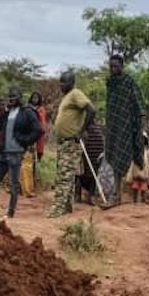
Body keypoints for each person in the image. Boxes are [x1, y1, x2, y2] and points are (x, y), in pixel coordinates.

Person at [0, 87, 42, 219]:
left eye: (14, 96)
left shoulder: (27, 112)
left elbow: (38, 130)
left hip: (16, 153)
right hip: (4, 152)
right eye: (10, 97)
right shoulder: (8, 113)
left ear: (20, 97)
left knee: (13, 185)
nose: (11, 99)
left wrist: (24, 141)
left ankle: (10, 213)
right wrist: (4, 112)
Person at [49, 71, 95, 218]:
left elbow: (91, 110)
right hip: (63, 142)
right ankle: (66, 208)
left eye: (64, 82)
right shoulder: (66, 97)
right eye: (60, 82)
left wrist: (81, 131)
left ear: (72, 82)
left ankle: (57, 210)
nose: (61, 85)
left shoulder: (76, 94)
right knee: (64, 175)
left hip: (71, 142)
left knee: (64, 176)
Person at [105, 54, 146, 205]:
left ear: (122, 66)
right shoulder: (110, 83)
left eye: (116, 66)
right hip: (113, 126)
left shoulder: (129, 82)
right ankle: (116, 194)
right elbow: (111, 107)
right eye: (111, 66)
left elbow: (138, 104)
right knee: (113, 157)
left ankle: (117, 195)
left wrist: (140, 124)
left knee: (121, 158)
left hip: (126, 126)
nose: (113, 69)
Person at [75, 121, 105, 205]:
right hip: (94, 160)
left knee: (79, 175)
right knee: (92, 176)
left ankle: (79, 195)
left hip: (88, 159)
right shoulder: (99, 129)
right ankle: (90, 195)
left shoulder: (82, 129)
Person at [126, 132, 149, 203]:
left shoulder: (147, 151)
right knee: (135, 189)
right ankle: (135, 201)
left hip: (144, 175)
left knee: (143, 189)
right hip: (136, 174)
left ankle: (143, 200)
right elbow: (131, 164)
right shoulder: (134, 151)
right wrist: (130, 175)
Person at [29, 92, 49, 161]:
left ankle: (38, 160)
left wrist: (35, 111)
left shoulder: (41, 109)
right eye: (33, 97)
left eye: (36, 98)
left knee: (39, 147)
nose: (35, 99)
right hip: (30, 130)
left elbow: (42, 120)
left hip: (39, 130)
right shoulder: (28, 107)